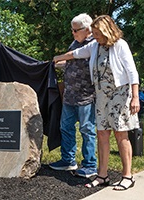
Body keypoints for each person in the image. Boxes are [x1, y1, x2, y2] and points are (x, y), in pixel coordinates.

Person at [53, 15, 140, 191]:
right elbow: (75, 54)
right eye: (94, 33)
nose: (95, 37)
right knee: (102, 134)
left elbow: (132, 72)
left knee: (120, 134)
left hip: (120, 94)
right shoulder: (94, 46)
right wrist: (56, 58)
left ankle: (127, 176)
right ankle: (102, 175)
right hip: (101, 95)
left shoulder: (120, 45)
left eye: (98, 34)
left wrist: (136, 97)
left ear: (107, 31)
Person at [49, 13, 97, 178]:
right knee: (66, 127)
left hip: (86, 95)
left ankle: (90, 164)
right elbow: (71, 61)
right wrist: (56, 65)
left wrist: (63, 59)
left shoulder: (95, 44)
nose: (73, 33)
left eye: (76, 30)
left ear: (88, 29)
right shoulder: (74, 43)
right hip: (70, 96)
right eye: (72, 30)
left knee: (87, 129)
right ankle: (68, 160)